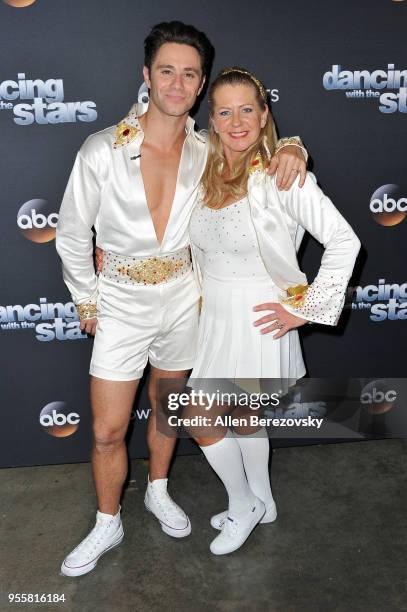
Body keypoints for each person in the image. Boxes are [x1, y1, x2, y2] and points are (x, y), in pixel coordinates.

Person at [55, 21, 308, 577]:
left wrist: (293, 144)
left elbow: (259, 149)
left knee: (170, 412)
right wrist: (88, 301)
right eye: (166, 71)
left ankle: (159, 489)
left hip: (185, 301)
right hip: (119, 303)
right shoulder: (101, 149)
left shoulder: (209, 151)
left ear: (200, 86)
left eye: (189, 74)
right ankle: (106, 522)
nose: (176, 83)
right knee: (105, 430)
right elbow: (73, 234)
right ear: (148, 76)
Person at [183, 67, 361, 555]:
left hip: (260, 318)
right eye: (225, 111)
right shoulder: (200, 167)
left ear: (265, 116)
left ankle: (244, 506)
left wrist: (305, 308)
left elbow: (345, 240)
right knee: (243, 414)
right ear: (211, 121)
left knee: (199, 413)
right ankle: (264, 499)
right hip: (214, 315)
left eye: (248, 109)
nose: (237, 121)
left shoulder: (285, 176)